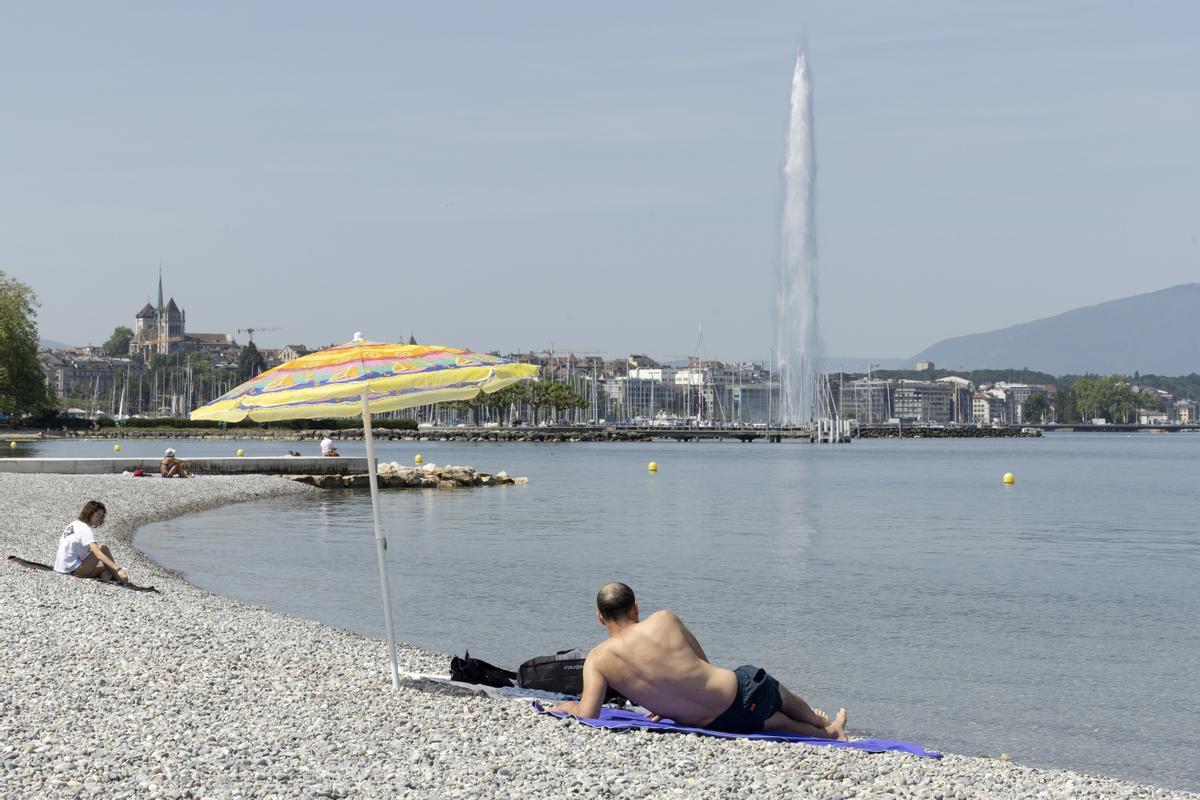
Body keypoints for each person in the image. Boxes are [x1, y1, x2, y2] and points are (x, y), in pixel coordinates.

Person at [546, 583, 848, 740]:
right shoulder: (664, 619)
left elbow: (588, 714)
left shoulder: (597, 660)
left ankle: (823, 731)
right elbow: (702, 662)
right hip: (738, 695)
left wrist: (565, 707)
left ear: (600, 617)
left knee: (772, 720)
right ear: (636, 607)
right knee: (770, 689)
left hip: (716, 723)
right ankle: (821, 722)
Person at [53, 500, 128, 583]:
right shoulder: (86, 529)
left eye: (101, 517)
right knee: (103, 548)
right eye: (97, 516)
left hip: (59, 567)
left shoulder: (73, 524)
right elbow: (98, 554)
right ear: (89, 513)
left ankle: (107, 575)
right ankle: (120, 577)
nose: (99, 519)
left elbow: (61, 545)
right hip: (71, 570)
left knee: (103, 564)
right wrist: (118, 568)